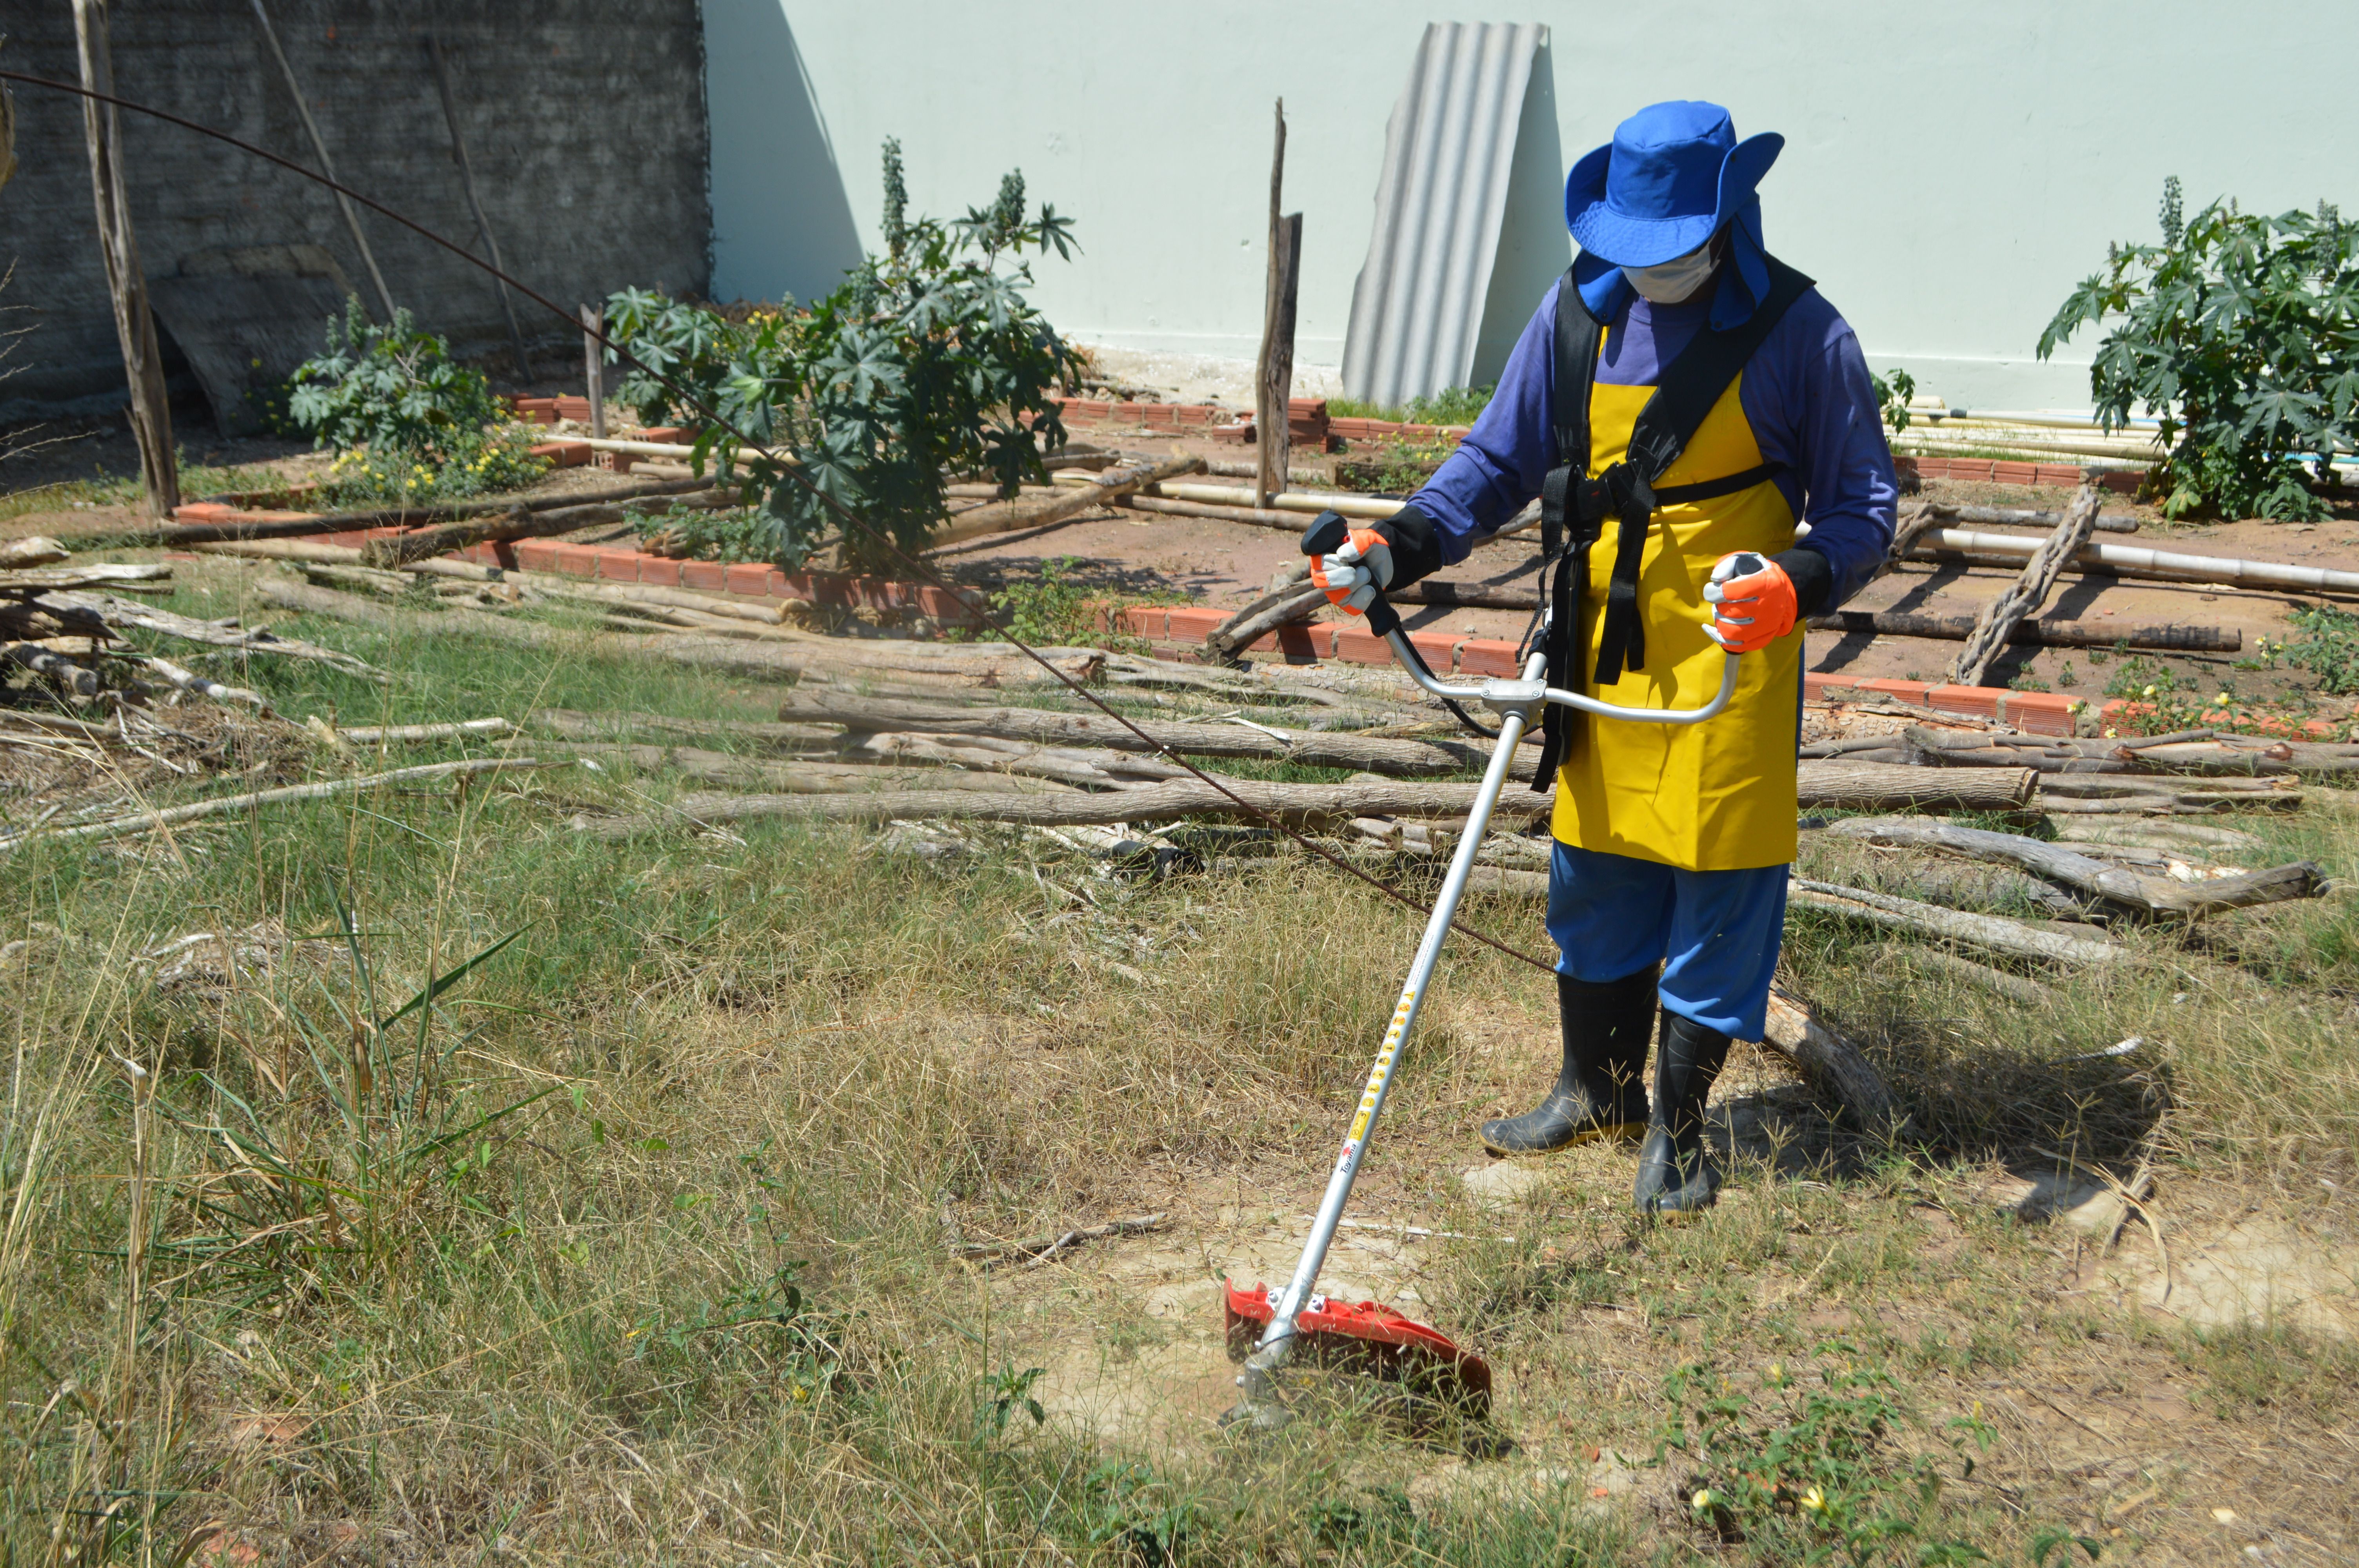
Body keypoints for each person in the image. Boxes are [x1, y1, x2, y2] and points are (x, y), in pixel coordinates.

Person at [1306, 100, 1896, 1216]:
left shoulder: (1801, 335)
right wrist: (1401, 546)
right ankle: (1597, 1089)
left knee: (1721, 881)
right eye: (1630, 245)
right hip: (1597, 645)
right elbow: (1492, 464)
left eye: (1666, 246)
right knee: (1596, 864)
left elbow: (1866, 508)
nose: (1645, 268)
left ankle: (1680, 1134)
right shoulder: (1576, 314)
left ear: (1727, 221)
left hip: (1729, 646)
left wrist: (1799, 582)